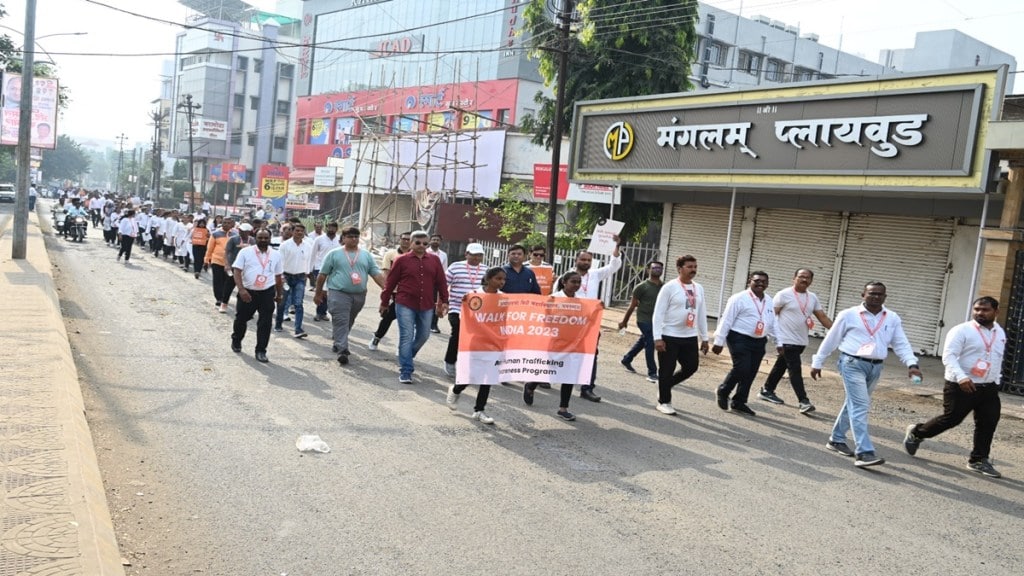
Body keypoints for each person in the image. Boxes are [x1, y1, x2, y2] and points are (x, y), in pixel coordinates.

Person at [811, 281, 922, 468]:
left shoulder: (892, 318)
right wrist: (817, 361)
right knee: (861, 405)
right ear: (863, 294)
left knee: (853, 404)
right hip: (852, 363)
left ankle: (836, 439)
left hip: (876, 366)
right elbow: (832, 339)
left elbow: (900, 342)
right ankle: (864, 452)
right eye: (871, 293)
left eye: (880, 294)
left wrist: (911, 363)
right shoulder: (848, 315)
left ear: (885, 297)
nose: (875, 297)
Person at [903, 296, 1005, 478]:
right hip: (961, 384)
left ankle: (978, 460)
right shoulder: (961, 331)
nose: (980, 313)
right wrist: (962, 377)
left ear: (996, 312)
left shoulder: (999, 332)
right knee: (951, 419)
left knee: (988, 422)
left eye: (985, 310)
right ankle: (917, 432)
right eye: (977, 309)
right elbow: (949, 357)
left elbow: (996, 357)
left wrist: (996, 380)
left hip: (988, 386)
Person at [757, 268, 834, 414]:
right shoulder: (783, 295)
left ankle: (767, 390)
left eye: (808, 278)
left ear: (811, 280)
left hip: (801, 340)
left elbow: (822, 317)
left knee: (781, 366)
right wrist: (769, 336)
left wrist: (839, 331)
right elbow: (771, 316)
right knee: (795, 369)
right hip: (785, 339)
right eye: (801, 277)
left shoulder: (812, 298)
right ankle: (803, 401)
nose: (804, 280)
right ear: (794, 278)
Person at [379, 230, 449, 384]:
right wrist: (384, 302)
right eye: (418, 242)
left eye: (425, 243)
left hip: (426, 304)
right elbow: (390, 283)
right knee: (406, 335)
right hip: (405, 303)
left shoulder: (434, 260)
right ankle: (406, 370)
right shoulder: (401, 260)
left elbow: (441, 282)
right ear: (411, 243)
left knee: (424, 335)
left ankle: (407, 356)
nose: (421, 246)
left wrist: (444, 301)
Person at [314, 226, 385, 365]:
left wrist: (386, 290)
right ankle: (343, 350)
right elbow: (322, 275)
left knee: (348, 320)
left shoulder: (366, 255)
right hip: (338, 293)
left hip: (359, 295)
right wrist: (318, 293)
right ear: (343, 238)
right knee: (341, 319)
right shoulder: (334, 254)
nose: (354, 239)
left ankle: (338, 340)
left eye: (356, 237)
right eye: (350, 236)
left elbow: (375, 273)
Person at [446, 266, 506, 424]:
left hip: (494, 344)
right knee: (471, 375)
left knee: (488, 378)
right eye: (498, 279)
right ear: (487, 279)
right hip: (476, 343)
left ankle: (479, 410)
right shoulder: (473, 297)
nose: (501, 282)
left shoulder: (504, 299)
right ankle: (456, 389)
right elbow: (464, 319)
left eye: (503, 279)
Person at [712, 271, 777, 417]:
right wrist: (719, 340)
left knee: (751, 371)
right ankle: (724, 390)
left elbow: (773, 323)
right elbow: (727, 320)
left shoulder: (769, 301)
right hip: (738, 337)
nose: (760, 283)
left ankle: (739, 402)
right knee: (742, 367)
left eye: (764, 281)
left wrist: (778, 341)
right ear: (749, 281)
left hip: (759, 340)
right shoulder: (738, 298)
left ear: (768, 283)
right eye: (757, 280)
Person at [652, 255, 709, 415]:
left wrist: (704, 338)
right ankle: (664, 401)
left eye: (695, 267)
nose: (693, 270)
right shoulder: (669, 287)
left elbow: (701, 313)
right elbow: (658, 313)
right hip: (669, 335)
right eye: (689, 266)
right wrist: (657, 337)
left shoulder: (699, 288)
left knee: (691, 367)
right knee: (666, 369)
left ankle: (665, 385)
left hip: (689, 336)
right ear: (679, 268)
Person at [524, 271, 583, 422]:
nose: (576, 285)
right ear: (564, 282)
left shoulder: (582, 301)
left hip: (572, 344)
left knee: (569, 375)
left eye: (578, 282)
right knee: (548, 369)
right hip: (554, 342)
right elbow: (544, 319)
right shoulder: (553, 299)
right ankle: (531, 385)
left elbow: (586, 320)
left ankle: (563, 408)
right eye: (573, 282)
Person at [573, 240, 622, 402]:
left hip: (591, 323)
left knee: (591, 354)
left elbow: (613, 267)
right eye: (583, 260)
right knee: (562, 352)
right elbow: (557, 298)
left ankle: (587, 388)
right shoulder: (568, 276)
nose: (586, 262)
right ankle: (543, 378)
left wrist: (615, 247)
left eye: (588, 260)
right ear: (576, 260)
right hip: (571, 323)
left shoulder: (595, 274)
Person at [231, 229, 284, 363]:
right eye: (260, 237)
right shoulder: (245, 252)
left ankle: (261, 350)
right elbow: (237, 271)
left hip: (267, 292)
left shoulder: (276, 255)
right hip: (248, 291)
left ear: (270, 239)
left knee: (265, 323)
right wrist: (242, 290)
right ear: (255, 238)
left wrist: (279, 294)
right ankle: (236, 339)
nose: (263, 240)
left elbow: (278, 277)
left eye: (266, 238)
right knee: (241, 319)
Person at [443, 243, 487, 377]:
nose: (476, 258)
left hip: (477, 310)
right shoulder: (455, 267)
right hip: (456, 307)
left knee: (475, 338)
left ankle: (469, 364)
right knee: (457, 332)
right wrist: (442, 302)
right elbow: (444, 284)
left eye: (479, 255)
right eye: (473, 255)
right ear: (466, 254)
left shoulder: (487, 270)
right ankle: (450, 361)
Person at [619, 260, 664, 383]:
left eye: (660, 268)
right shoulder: (641, 287)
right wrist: (624, 321)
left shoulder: (664, 287)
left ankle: (627, 359)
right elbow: (632, 305)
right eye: (654, 268)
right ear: (648, 270)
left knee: (643, 340)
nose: (657, 270)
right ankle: (652, 372)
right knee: (650, 342)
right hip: (644, 320)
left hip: (657, 321)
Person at [368, 231, 411, 351]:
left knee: (407, 320)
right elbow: (386, 274)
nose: (406, 241)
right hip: (395, 292)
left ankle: (403, 346)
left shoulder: (415, 256)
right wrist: (387, 292)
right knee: (388, 317)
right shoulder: (391, 254)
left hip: (410, 293)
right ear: (400, 240)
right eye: (404, 239)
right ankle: (377, 337)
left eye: (409, 239)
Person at [275, 223, 313, 338]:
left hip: (300, 278)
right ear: (292, 231)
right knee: (282, 302)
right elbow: (280, 262)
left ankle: (298, 329)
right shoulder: (285, 245)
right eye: (297, 230)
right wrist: (281, 277)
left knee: (298, 303)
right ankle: (278, 324)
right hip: (286, 276)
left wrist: (307, 273)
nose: (299, 233)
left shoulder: (307, 246)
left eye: (302, 231)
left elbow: (309, 261)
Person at [309, 221, 341, 321]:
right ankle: (319, 313)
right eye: (329, 227)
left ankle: (323, 312)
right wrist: (310, 270)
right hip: (320, 268)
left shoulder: (340, 239)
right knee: (322, 291)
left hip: (335, 269)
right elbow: (313, 254)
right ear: (326, 228)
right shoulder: (319, 239)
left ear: (337, 229)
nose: (331, 229)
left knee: (329, 292)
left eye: (334, 228)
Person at [205, 218, 236, 313]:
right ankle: (219, 298)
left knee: (227, 281)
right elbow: (210, 248)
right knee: (217, 280)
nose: (226, 224)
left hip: (230, 263)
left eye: (228, 223)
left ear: (232, 224)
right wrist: (207, 260)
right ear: (221, 223)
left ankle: (224, 298)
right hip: (216, 260)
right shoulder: (215, 234)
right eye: (224, 222)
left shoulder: (235, 235)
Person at [427, 233, 448, 333]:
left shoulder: (443, 255)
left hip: (437, 282)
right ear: (430, 241)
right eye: (433, 239)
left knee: (437, 303)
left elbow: (444, 270)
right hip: (426, 281)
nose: (435, 241)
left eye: (437, 240)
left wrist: (443, 283)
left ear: (440, 242)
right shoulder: (425, 252)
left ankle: (433, 324)